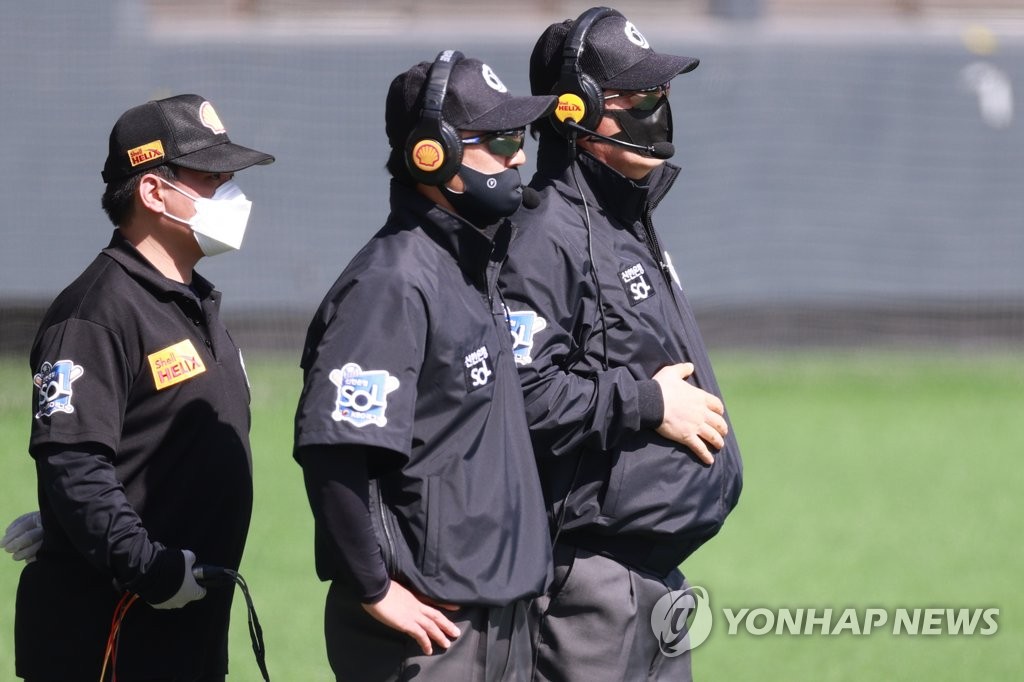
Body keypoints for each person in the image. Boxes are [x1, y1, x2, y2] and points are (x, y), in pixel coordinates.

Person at [292, 52, 557, 682]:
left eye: (518, 137)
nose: (518, 156)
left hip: (497, 614)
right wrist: (373, 587)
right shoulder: (392, 282)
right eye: (499, 141)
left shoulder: (467, 265)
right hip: (432, 630)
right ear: (431, 155)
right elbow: (334, 451)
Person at [497, 8, 744, 681]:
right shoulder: (546, 233)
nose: (656, 112)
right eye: (634, 99)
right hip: (591, 588)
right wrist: (648, 404)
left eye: (659, 96)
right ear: (573, 111)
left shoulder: (624, 220)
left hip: (656, 581)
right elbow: (518, 393)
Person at [11, 94, 274, 682]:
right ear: (154, 192)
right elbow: (74, 462)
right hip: (111, 639)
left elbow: (144, 450)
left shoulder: (191, 302)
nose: (232, 194)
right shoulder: (95, 314)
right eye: (212, 178)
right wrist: (144, 566)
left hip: (182, 635)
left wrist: (67, 522)